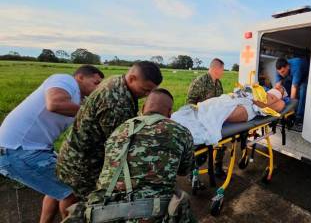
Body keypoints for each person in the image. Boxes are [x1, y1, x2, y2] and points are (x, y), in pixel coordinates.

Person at [62, 89, 196, 223]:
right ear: (170, 112)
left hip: (101, 212)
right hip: (152, 213)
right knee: (182, 205)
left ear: (143, 108)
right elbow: (184, 170)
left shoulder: (119, 129)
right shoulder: (180, 131)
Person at [0, 65, 104, 223]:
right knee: (73, 191)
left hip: (31, 150)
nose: (98, 88)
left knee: (57, 186)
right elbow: (54, 103)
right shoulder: (64, 79)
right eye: (96, 83)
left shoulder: (80, 101)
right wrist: (95, 111)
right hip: (18, 151)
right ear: (80, 77)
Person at [56, 61, 162, 200]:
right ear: (132, 78)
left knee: (66, 197)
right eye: (145, 90)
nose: (147, 95)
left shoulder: (118, 81)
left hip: (73, 155)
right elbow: (119, 145)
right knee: (84, 205)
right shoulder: (117, 103)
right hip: (84, 165)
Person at [172, 86, 286, 146]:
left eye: (280, 89)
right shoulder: (260, 89)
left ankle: (186, 130)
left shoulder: (279, 101)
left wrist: (255, 100)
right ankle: (179, 121)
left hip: (248, 106)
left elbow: (274, 106)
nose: (278, 88)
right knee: (209, 106)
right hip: (235, 98)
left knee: (215, 114)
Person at [186, 58, 225, 177]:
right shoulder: (200, 81)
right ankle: (193, 175)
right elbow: (189, 103)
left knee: (221, 142)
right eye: (222, 69)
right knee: (201, 151)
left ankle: (218, 167)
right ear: (216, 69)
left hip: (214, 120)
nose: (223, 72)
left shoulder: (218, 83)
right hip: (200, 121)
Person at [275, 57, 309, 125]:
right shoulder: (279, 70)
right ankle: (285, 110)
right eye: (279, 73)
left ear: (288, 67)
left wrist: (290, 108)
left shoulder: (296, 67)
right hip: (291, 75)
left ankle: (299, 116)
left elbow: (294, 87)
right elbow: (277, 87)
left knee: (302, 90)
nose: (281, 74)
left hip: (305, 75)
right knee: (284, 88)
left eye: (283, 72)